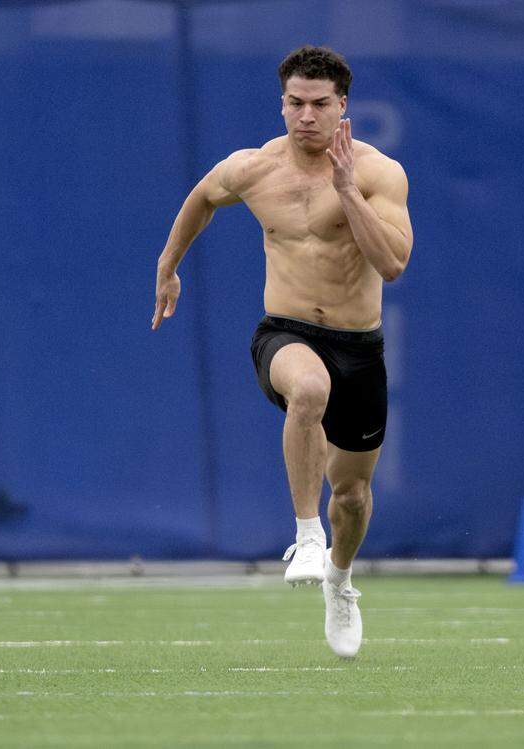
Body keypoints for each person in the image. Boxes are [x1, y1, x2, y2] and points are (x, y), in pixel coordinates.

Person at [151, 45, 412, 658]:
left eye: (320, 104)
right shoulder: (254, 168)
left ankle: (341, 582)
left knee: (351, 496)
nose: (307, 116)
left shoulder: (378, 173)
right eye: (296, 103)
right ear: (283, 105)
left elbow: (394, 264)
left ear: (342, 107)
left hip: (359, 344)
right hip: (286, 332)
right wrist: (168, 266)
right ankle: (305, 535)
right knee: (309, 390)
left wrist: (347, 191)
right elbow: (202, 198)